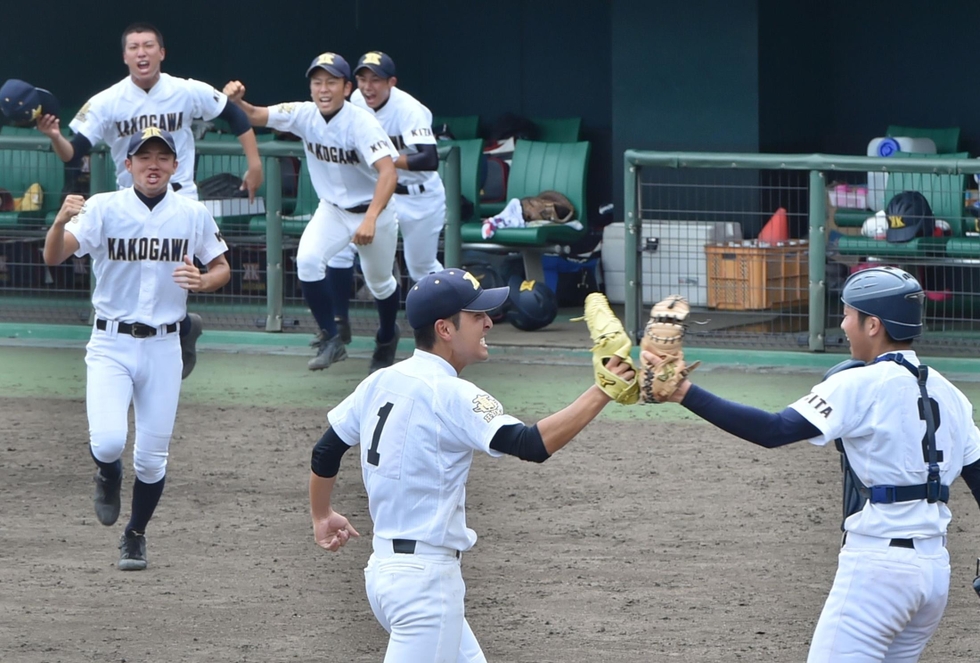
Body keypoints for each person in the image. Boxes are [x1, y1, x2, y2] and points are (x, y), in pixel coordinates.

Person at [643, 266, 980, 662]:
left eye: (849, 315)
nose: (844, 325)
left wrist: (684, 392)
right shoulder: (952, 395)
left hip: (878, 572)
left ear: (873, 325)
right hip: (934, 574)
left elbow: (773, 430)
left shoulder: (859, 383)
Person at [307, 268, 635, 662]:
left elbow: (325, 451)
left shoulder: (381, 381)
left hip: (384, 574)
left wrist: (322, 515)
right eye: (477, 315)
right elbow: (530, 444)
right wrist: (602, 391)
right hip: (426, 589)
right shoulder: (451, 393)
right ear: (445, 329)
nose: (489, 322)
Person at [42, 127, 230, 570]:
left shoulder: (192, 213)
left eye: (162, 157)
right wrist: (58, 221)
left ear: (175, 166)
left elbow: (221, 266)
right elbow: (54, 256)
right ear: (127, 165)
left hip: (164, 346)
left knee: (151, 460)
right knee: (109, 443)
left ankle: (135, 534)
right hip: (110, 342)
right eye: (144, 157)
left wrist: (204, 281)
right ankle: (108, 473)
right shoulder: (103, 207)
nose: (153, 165)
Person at [35, 22, 262, 380]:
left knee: (170, 279)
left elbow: (233, 114)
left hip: (180, 195)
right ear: (125, 56)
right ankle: (174, 333)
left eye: (149, 45)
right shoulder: (108, 100)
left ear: (162, 52)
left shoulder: (184, 90)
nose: (142, 52)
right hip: (129, 200)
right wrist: (54, 136)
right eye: (134, 47)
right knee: (137, 278)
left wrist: (255, 163)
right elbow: (74, 151)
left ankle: (178, 330)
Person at [223, 53, 402, 374]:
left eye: (331, 82)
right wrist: (237, 102)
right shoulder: (303, 114)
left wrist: (371, 218)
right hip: (332, 210)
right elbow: (255, 115)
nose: (323, 89)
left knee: (379, 283)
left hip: (373, 210)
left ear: (346, 88)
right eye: (317, 82)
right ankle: (331, 338)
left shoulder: (362, 123)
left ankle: (387, 337)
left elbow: (389, 173)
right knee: (307, 261)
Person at [324, 51, 446, 347]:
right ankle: (338, 323)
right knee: (341, 250)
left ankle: (453, 317)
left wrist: (384, 158)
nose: (368, 87)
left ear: (391, 82)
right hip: (381, 195)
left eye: (376, 80)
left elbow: (429, 159)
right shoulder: (354, 103)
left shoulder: (409, 109)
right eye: (362, 78)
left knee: (421, 268)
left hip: (418, 196)